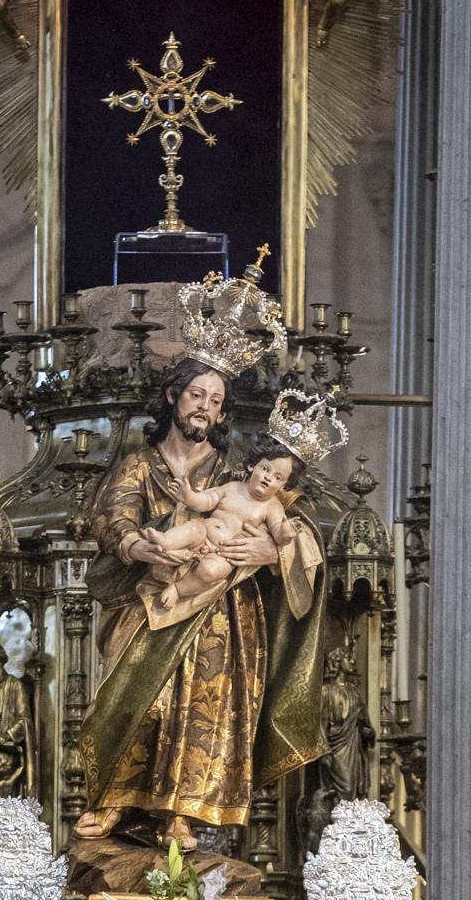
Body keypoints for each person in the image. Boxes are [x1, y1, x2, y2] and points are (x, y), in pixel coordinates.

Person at [78, 355, 327, 852]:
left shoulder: (238, 469)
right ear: (174, 397)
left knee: (204, 709)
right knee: (136, 698)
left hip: (223, 611)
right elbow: (112, 517)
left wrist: (272, 550)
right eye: (197, 395)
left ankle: (181, 812)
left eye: (215, 401)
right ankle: (112, 797)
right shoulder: (139, 465)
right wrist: (137, 546)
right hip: (149, 599)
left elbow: (297, 521)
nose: (204, 408)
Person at [141, 439, 301, 618]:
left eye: (278, 478)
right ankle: (164, 540)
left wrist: (286, 532)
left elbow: (279, 535)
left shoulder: (273, 507)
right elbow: (207, 500)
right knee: (193, 528)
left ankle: (177, 590)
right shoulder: (233, 487)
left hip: (224, 555)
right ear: (252, 466)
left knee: (210, 572)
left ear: (284, 486)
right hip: (204, 534)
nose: (268, 477)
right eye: (265, 469)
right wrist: (189, 497)